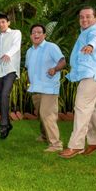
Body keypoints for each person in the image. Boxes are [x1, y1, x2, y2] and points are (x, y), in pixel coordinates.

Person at [60, 6, 96, 159]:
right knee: (89, 109)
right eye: (81, 17)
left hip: (94, 75)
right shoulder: (84, 33)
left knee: (81, 107)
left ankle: (76, 146)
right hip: (94, 75)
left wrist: (91, 45)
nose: (84, 19)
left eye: (88, 16)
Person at [25, 24, 66, 152]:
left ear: (44, 35)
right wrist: (28, 82)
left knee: (47, 114)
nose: (36, 34)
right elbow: (28, 68)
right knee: (41, 114)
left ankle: (56, 144)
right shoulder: (29, 51)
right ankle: (44, 136)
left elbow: (62, 61)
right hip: (35, 87)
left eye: (39, 32)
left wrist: (55, 69)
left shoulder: (51, 47)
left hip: (49, 87)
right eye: (33, 32)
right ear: (31, 35)